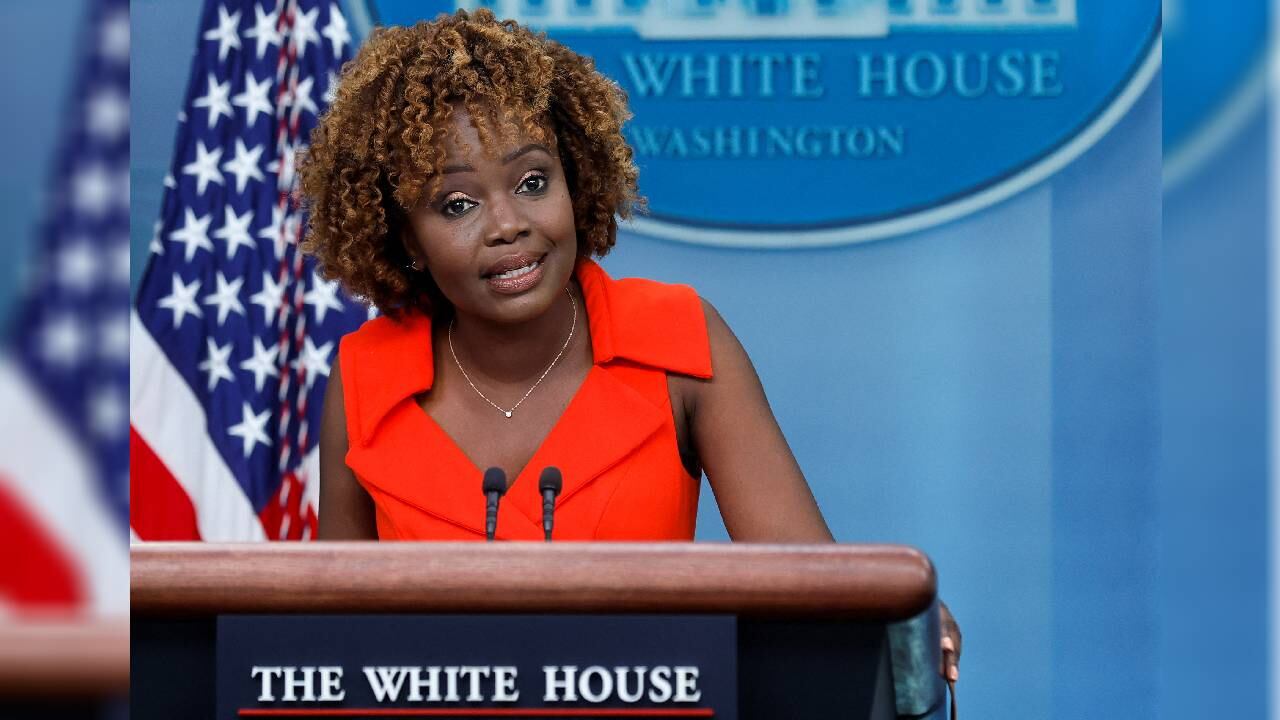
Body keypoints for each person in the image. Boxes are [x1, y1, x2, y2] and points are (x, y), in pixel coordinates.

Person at [298, 9, 960, 683]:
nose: (508, 225)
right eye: (458, 204)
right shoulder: (366, 378)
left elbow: (812, 588)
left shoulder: (678, 339)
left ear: (574, 180)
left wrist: (891, 619)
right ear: (406, 236)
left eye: (533, 183)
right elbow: (327, 654)